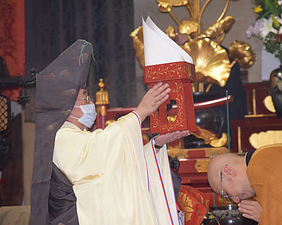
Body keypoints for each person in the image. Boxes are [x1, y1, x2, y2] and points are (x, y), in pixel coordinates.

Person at [30, 40, 189, 225]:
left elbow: (120, 165)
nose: (91, 101)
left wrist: (156, 145)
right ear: (67, 108)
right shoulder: (61, 137)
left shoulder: (78, 137)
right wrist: (141, 112)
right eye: (85, 97)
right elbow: (102, 152)